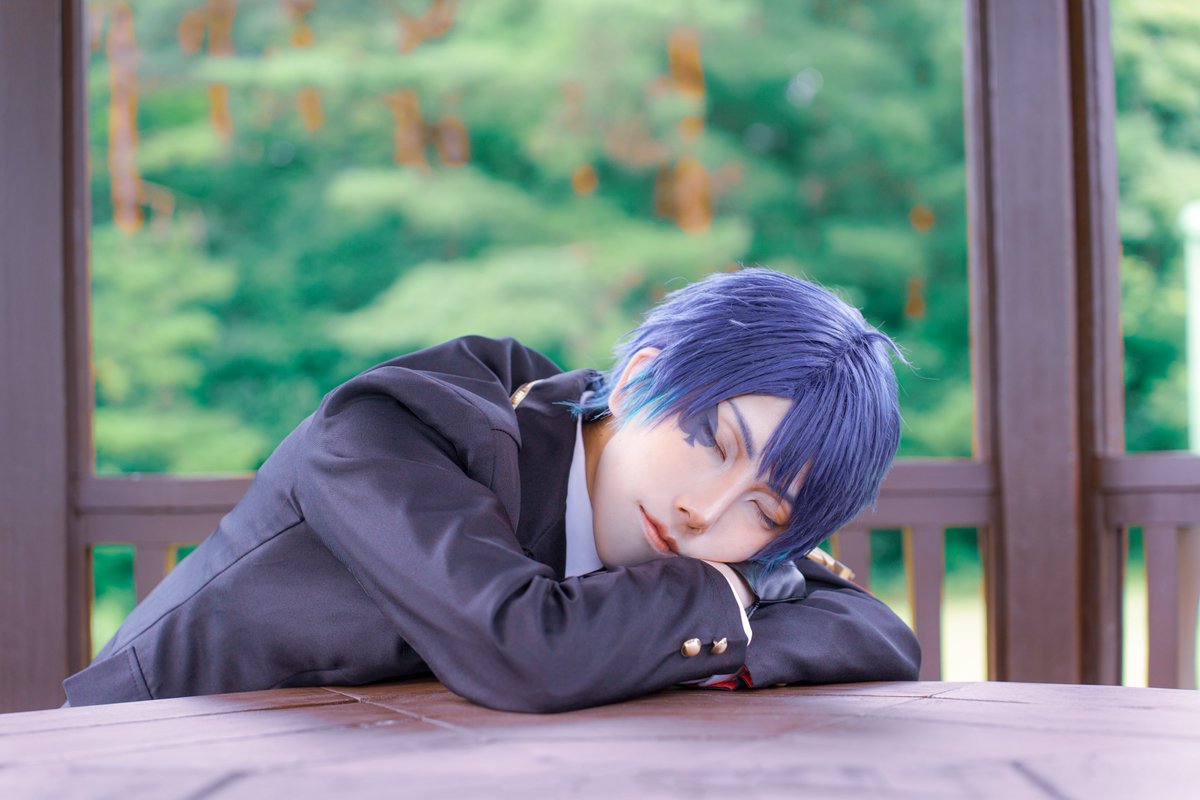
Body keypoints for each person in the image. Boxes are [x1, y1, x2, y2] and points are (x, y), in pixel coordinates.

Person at [63, 267, 920, 712]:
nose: (706, 511)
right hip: (140, 758)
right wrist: (732, 595)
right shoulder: (398, 428)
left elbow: (874, 633)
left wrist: (723, 596)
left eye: (766, 510)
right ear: (635, 384)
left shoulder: (708, 528)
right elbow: (524, 650)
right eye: (709, 441)